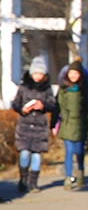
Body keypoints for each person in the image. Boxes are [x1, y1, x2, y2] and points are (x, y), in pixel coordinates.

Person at [12, 56, 57, 194]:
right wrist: (22, 109)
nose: (38, 76)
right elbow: (16, 103)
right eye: (36, 73)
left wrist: (43, 105)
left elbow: (53, 105)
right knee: (24, 153)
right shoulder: (24, 87)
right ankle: (23, 180)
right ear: (31, 73)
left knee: (37, 154)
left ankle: (33, 183)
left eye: (40, 74)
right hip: (25, 124)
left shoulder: (47, 89)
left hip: (40, 125)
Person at [55, 59, 88, 190]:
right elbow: (57, 107)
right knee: (69, 151)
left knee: (79, 151)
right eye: (71, 73)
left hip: (81, 124)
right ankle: (68, 177)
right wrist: (54, 124)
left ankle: (80, 171)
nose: (73, 76)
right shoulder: (63, 88)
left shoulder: (85, 89)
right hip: (67, 124)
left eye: (76, 73)